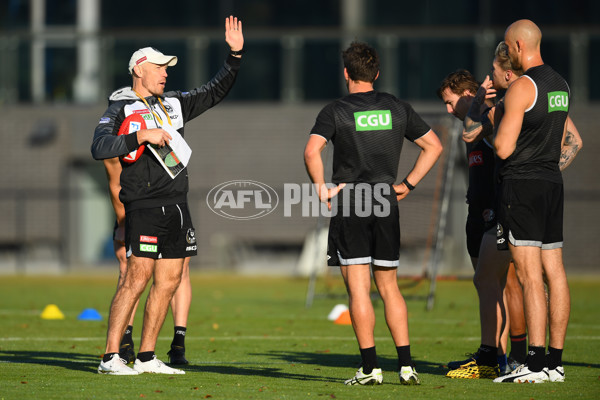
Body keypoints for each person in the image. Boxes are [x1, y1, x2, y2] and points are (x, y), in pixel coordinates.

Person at [92, 15, 244, 375]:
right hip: (144, 206)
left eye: (166, 69)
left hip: (178, 206)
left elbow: (213, 91)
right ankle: (110, 357)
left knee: (171, 280)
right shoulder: (120, 108)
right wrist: (141, 136)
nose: (165, 73)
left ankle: (146, 357)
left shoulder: (173, 104)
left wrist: (235, 56)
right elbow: (99, 146)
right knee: (137, 277)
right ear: (139, 69)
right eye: (159, 67)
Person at [304, 41, 443, 386]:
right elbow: (434, 146)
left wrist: (321, 187)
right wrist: (407, 185)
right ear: (376, 74)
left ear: (346, 73)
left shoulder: (335, 110)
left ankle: (370, 369)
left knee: (358, 291)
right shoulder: (397, 107)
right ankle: (407, 367)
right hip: (385, 200)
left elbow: (311, 152)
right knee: (390, 287)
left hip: (351, 201)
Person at [493, 19, 573, 383]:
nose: (506, 53)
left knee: (528, 276)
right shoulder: (561, 84)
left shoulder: (523, 86)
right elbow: (565, 143)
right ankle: (555, 361)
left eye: (508, 48)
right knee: (554, 272)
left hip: (523, 187)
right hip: (552, 184)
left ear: (518, 46)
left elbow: (503, 147)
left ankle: (536, 363)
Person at [103, 157, 192, 365]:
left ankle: (173, 345)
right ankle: (120, 347)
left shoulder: (168, 132)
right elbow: (115, 184)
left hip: (172, 208)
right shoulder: (122, 140)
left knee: (178, 272)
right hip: (137, 213)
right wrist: (122, 223)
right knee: (131, 274)